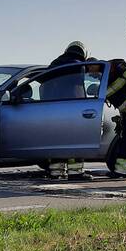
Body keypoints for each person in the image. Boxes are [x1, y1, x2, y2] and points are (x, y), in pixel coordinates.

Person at [44, 41, 92, 180]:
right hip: (72, 108)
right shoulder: (78, 65)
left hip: (53, 108)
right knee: (76, 139)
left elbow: (45, 85)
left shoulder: (54, 64)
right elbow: (78, 88)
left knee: (57, 139)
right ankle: (75, 172)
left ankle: (56, 171)